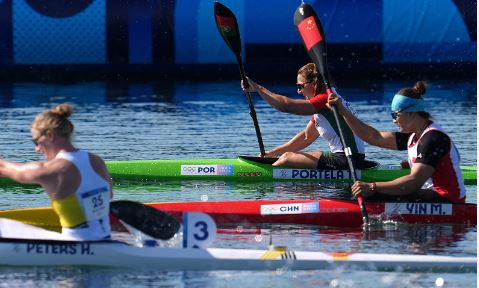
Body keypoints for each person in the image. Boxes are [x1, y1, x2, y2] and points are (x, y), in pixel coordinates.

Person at [328, 81, 466, 203]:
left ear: (411, 113)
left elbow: (413, 183)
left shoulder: (433, 138)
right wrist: (343, 112)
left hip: (447, 201)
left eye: (396, 115)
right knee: (374, 193)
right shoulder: (413, 136)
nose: (394, 120)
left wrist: (372, 187)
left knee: (372, 194)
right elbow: (373, 137)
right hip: (430, 195)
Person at [0, 104, 113, 240]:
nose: (37, 149)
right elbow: (109, 195)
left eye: (36, 141)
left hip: (76, 247)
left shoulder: (54, 170)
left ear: (49, 135)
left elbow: (15, 172)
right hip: (105, 239)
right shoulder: (97, 161)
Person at [242, 63, 368, 170]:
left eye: (300, 86)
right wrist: (273, 153)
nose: (298, 91)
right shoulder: (332, 98)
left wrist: (258, 88)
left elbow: (286, 106)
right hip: (351, 158)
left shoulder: (326, 100)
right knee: (287, 157)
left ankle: (264, 174)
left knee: (287, 158)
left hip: (347, 160)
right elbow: (306, 137)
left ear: (313, 83)